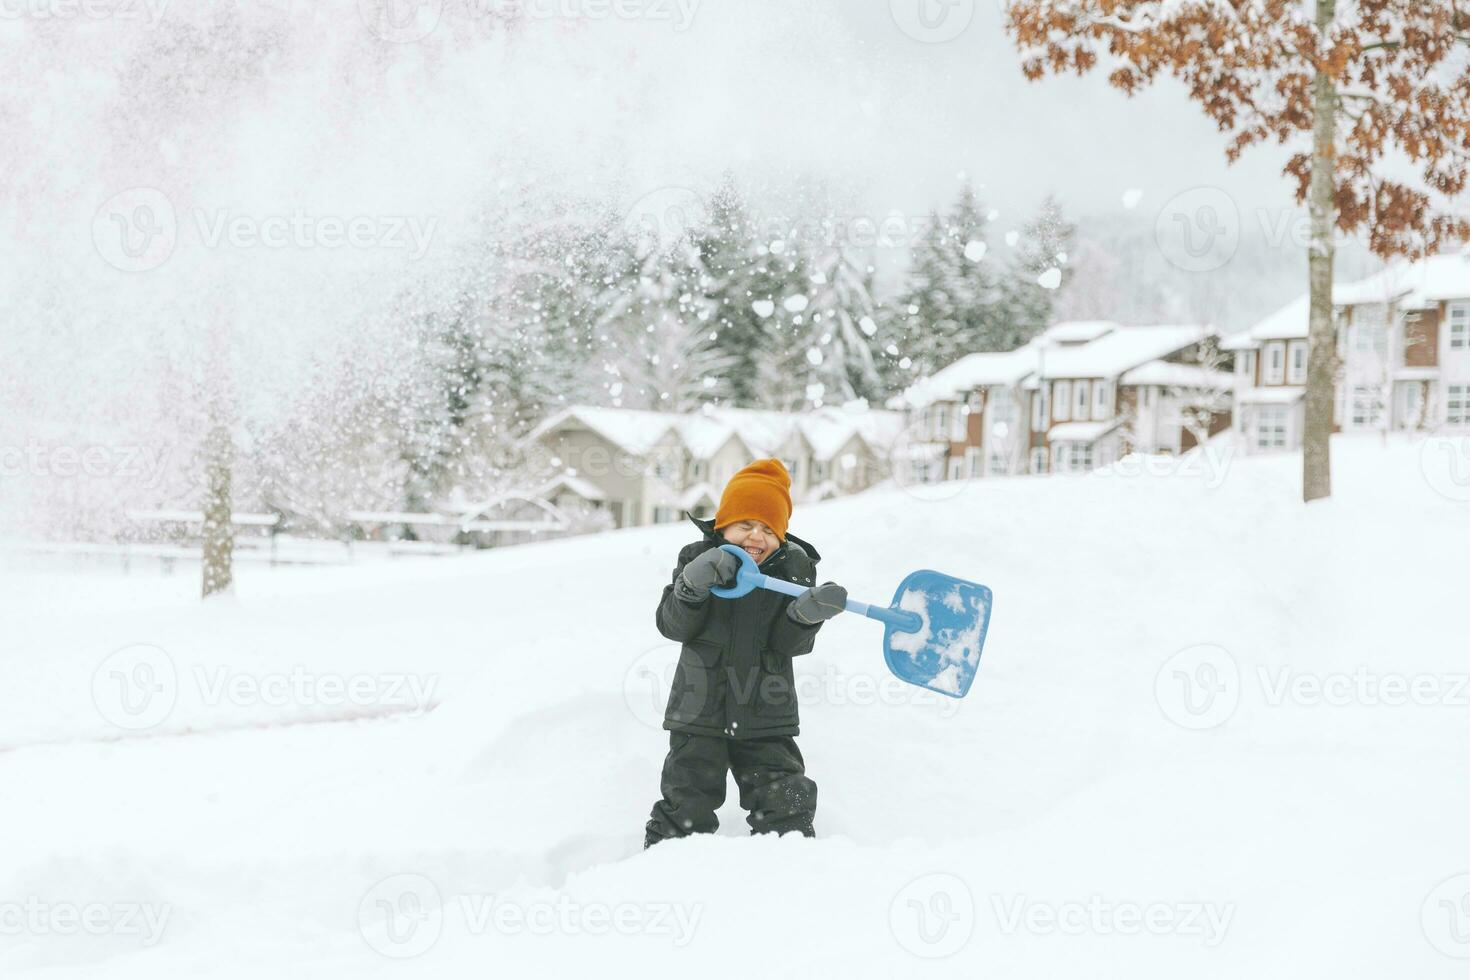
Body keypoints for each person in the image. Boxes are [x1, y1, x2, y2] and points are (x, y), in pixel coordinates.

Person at [644, 458, 847, 847]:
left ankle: (791, 861)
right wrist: (691, 586)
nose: (756, 535)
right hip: (699, 707)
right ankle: (668, 862)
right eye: (745, 524)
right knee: (687, 795)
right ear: (723, 525)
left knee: (784, 796)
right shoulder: (697, 558)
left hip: (767, 710)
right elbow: (673, 626)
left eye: (769, 528)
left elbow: (790, 646)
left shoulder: (794, 567)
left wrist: (806, 617)